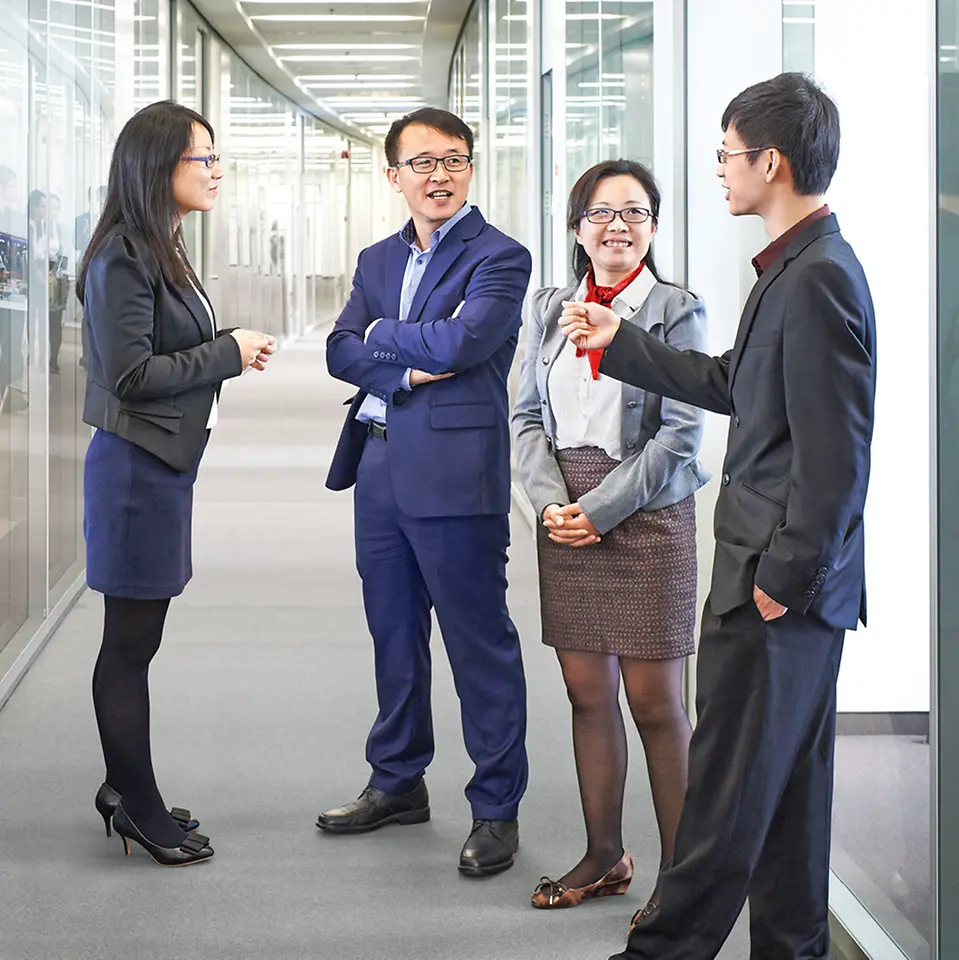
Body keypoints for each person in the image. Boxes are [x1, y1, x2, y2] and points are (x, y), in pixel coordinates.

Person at [560, 73, 876, 960]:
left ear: (769, 162)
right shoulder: (795, 267)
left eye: (727, 156)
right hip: (791, 589)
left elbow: (837, 456)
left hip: (775, 589)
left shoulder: (816, 279)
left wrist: (781, 580)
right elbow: (737, 383)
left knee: (724, 801)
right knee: (786, 800)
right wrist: (617, 343)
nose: (720, 172)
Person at [322, 106, 532, 877]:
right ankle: (397, 781)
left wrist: (384, 333)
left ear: (470, 169)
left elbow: (466, 341)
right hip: (376, 467)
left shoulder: (500, 255)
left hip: (453, 474)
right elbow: (340, 348)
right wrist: (402, 357)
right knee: (393, 635)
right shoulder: (376, 257)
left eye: (452, 160)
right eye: (421, 163)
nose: (437, 175)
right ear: (394, 176)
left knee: (477, 642)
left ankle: (496, 807)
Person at [77, 100, 275, 867]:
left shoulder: (161, 246)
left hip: (158, 470)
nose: (216, 171)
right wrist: (227, 351)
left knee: (137, 641)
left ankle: (124, 788)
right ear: (159, 165)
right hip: (133, 476)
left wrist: (224, 351)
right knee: (128, 647)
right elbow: (129, 374)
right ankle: (137, 806)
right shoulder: (122, 254)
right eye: (205, 158)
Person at [512, 159, 709, 911]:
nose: (616, 225)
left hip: (646, 512)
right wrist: (551, 503)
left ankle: (683, 887)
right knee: (585, 690)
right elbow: (526, 415)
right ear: (576, 229)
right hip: (564, 514)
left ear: (652, 228)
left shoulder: (673, 309)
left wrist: (602, 509)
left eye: (633, 212)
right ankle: (603, 856)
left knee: (655, 700)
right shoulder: (547, 308)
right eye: (599, 212)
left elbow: (682, 437)